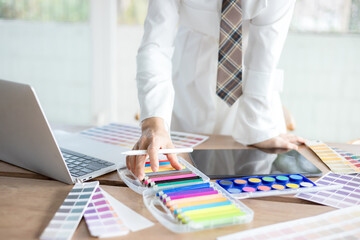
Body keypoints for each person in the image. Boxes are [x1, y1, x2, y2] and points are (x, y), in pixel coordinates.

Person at [127, 0, 305, 180]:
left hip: (254, 83)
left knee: (252, 184)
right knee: (181, 179)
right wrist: (154, 123)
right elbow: (156, 46)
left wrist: (260, 129)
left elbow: (265, 56)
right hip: (189, 78)